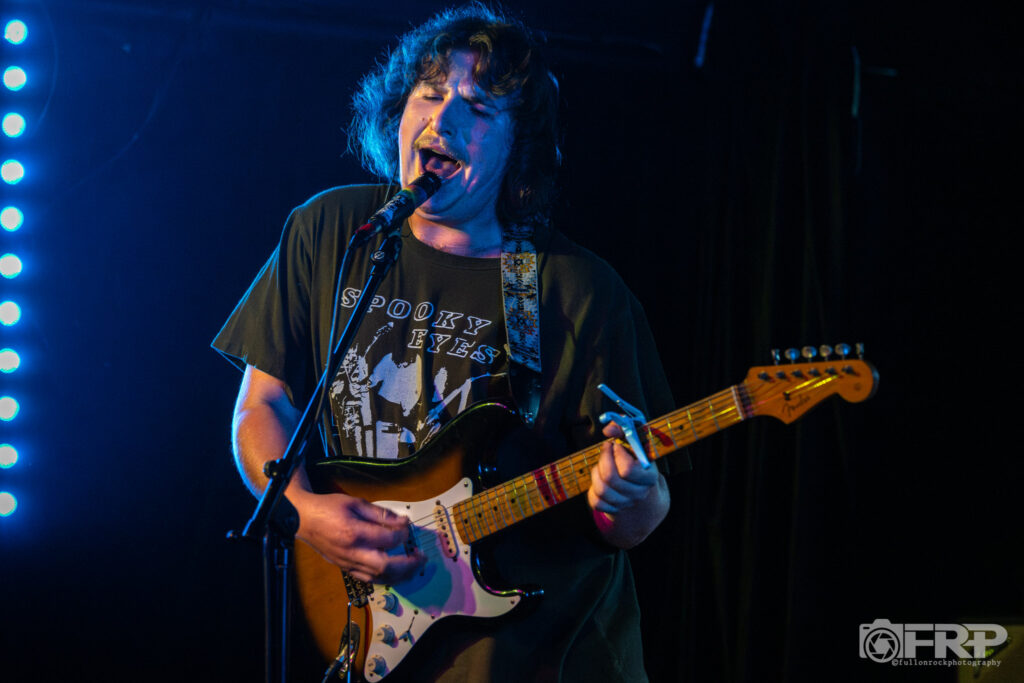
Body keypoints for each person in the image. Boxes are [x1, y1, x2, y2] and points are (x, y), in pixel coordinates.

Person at [213, 5, 675, 681]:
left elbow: (632, 522)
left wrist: (632, 495)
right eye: (428, 94)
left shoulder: (576, 291)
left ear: (518, 148)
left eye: (478, 108)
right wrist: (304, 513)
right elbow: (263, 405)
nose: (443, 119)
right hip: (378, 636)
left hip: (542, 659)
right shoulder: (330, 229)